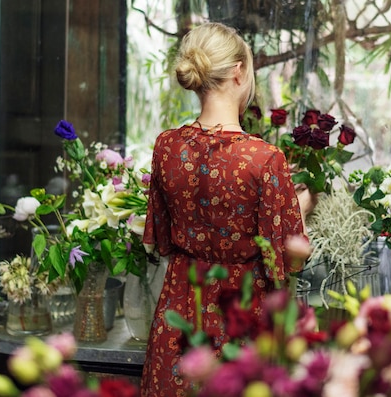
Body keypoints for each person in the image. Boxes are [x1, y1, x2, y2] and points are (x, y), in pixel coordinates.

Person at [141, 22, 310, 396]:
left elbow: (162, 239)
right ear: (238, 71)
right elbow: (288, 260)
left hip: (180, 311)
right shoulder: (264, 159)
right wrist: (303, 204)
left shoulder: (166, 147)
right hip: (243, 316)